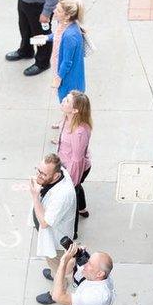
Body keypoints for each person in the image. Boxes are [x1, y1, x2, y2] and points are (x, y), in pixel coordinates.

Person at [30, 153, 76, 305]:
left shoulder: (63, 195)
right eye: (39, 171)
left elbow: (44, 222)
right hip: (52, 234)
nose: (39, 176)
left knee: (58, 264)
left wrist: (35, 196)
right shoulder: (60, 173)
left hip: (56, 240)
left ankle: (57, 289)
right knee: (52, 262)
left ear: (56, 175)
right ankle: (54, 273)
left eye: (44, 174)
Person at [52, 90, 93, 240]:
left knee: (71, 200)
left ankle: (72, 231)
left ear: (75, 110)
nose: (63, 100)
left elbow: (77, 160)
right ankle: (83, 209)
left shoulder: (79, 132)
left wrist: (71, 182)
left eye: (67, 101)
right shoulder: (67, 118)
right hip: (67, 164)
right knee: (77, 190)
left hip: (74, 169)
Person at [35, 0, 88, 101]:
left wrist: (58, 79)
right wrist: (46, 38)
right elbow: (58, 35)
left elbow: (67, 62)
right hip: (65, 75)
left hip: (69, 81)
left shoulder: (70, 36)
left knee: (68, 104)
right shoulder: (65, 24)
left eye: (58, 10)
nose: (54, 11)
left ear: (67, 16)